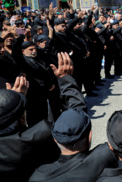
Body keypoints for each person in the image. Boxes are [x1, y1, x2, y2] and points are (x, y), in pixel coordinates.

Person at [0, 52, 86, 182]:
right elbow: (76, 122)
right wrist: (66, 80)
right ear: (22, 119)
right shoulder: (40, 136)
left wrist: (12, 104)